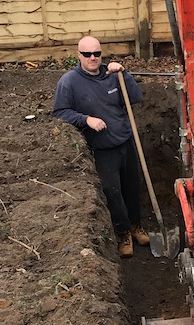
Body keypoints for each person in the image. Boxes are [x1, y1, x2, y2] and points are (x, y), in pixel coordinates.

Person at [52, 36, 149, 258]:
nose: (93, 58)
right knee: (112, 191)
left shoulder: (113, 76)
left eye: (97, 53)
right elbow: (60, 112)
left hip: (125, 140)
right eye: (87, 55)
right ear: (79, 56)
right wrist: (86, 119)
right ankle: (123, 232)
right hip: (102, 148)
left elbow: (136, 97)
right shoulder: (69, 82)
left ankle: (136, 225)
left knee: (132, 187)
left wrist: (124, 73)